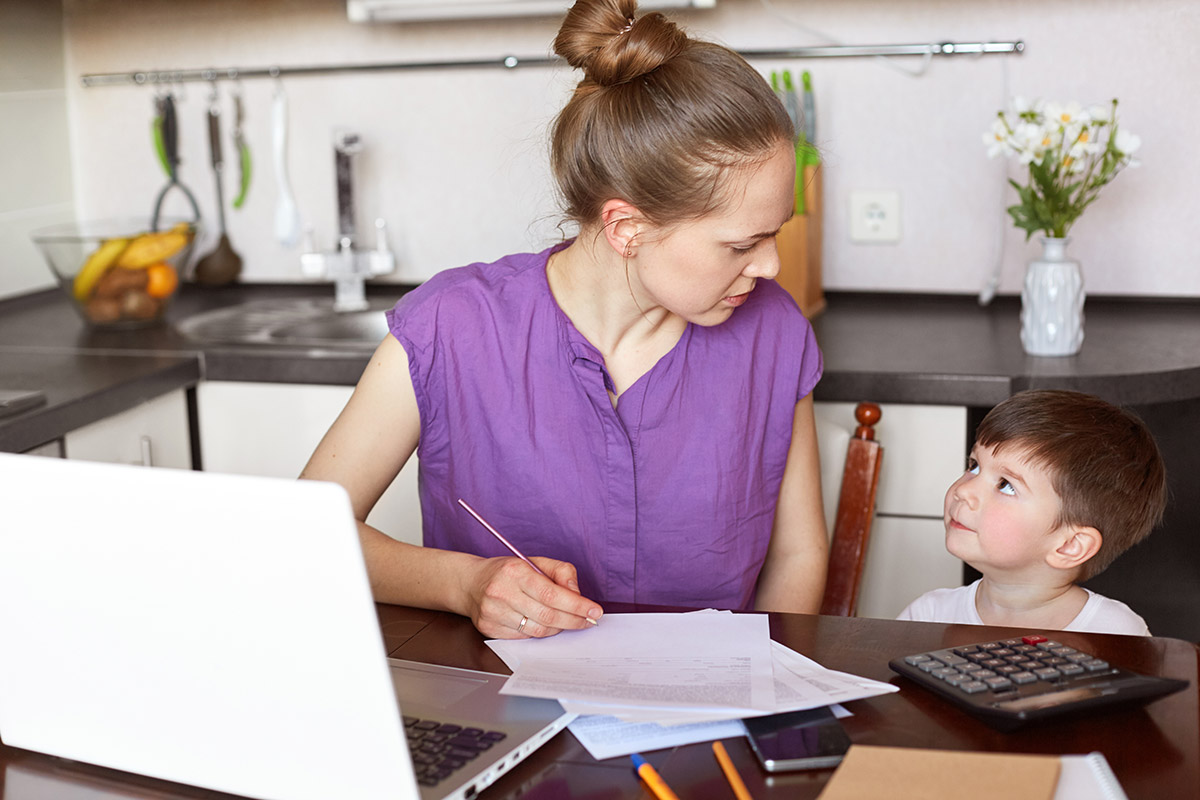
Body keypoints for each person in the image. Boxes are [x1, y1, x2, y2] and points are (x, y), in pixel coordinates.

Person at [300, 0, 828, 640]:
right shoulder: (451, 327)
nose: (770, 267)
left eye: (777, 234)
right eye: (743, 245)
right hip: (496, 710)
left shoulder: (773, 334)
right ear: (627, 228)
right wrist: (464, 584)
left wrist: (762, 692)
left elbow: (798, 556)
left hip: (705, 722)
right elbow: (305, 530)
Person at [897, 389, 1167, 635]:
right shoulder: (927, 616)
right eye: (974, 465)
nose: (963, 491)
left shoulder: (1116, 634)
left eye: (1006, 485)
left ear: (1070, 545)